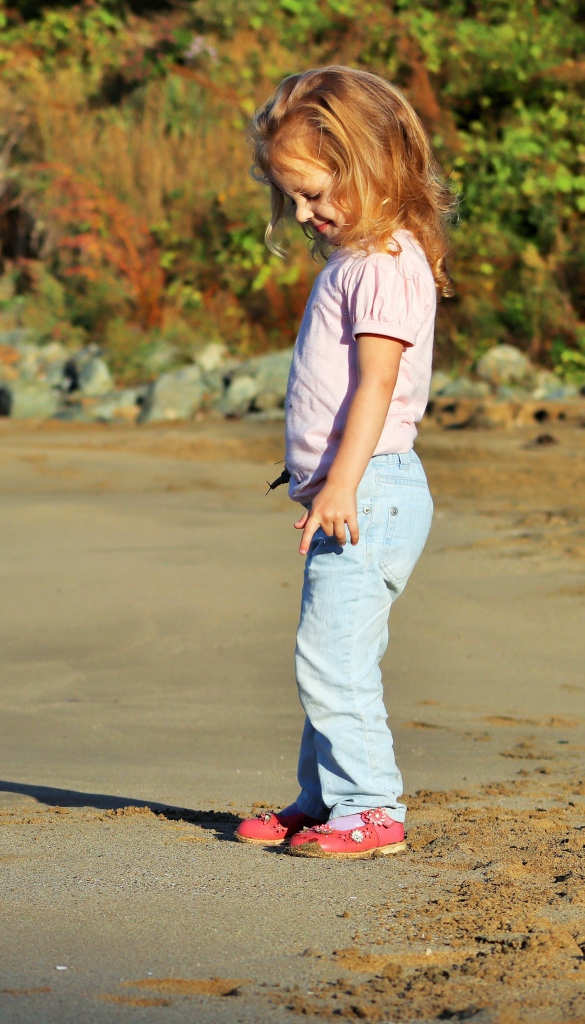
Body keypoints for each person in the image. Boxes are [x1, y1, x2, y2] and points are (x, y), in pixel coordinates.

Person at [233, 66, 456, 858]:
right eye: (292, 197)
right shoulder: (364, 259)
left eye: (315, 192)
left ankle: (371, 808)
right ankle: (323, 797)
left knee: (331, 659)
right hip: (360, 490)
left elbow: (377, 385)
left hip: (373, 490)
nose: (304, 212)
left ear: (372, 165)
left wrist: (343, 484)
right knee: (332, 654)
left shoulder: (385, 263)